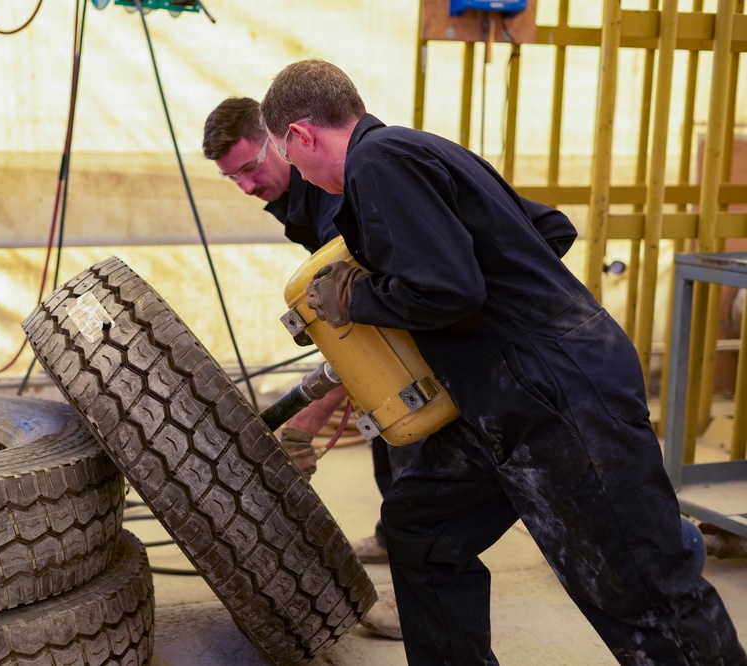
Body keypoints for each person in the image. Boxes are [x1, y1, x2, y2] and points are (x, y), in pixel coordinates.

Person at [260, 59, 747, 665]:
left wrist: (355, 298)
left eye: (289, 157)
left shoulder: (377, 164)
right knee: (421, 529)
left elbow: (448, 290)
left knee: (641, 587)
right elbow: (551, 229)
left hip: (558, 395)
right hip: (500, 395)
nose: (298, 175)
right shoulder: (429, 152)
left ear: (302, 135)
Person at [202, 96, 409, 638]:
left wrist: (305, 425)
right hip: (382, 326)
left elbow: (360, 326)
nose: (245, 187)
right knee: (387, 433)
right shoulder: (295, 201)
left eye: (249, 168)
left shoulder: (330, 190)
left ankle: (419, 596)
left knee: (415, 449)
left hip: (413, 335)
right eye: (232, 179)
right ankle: (393, 537)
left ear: (282, 140)